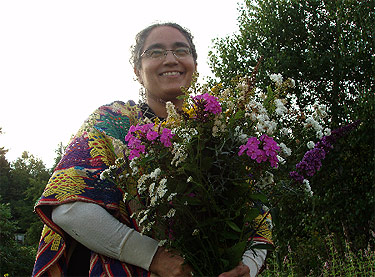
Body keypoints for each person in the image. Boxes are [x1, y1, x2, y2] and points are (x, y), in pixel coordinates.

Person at [32, 22, 272, 277]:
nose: (171, 59)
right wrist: (154, 257)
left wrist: (249, 266)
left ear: (194, 65)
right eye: (156, 52)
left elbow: (259, 215)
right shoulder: (111, 123)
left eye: (181, 50)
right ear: (137, 70)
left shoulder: (220, 131)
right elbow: (68, 209)